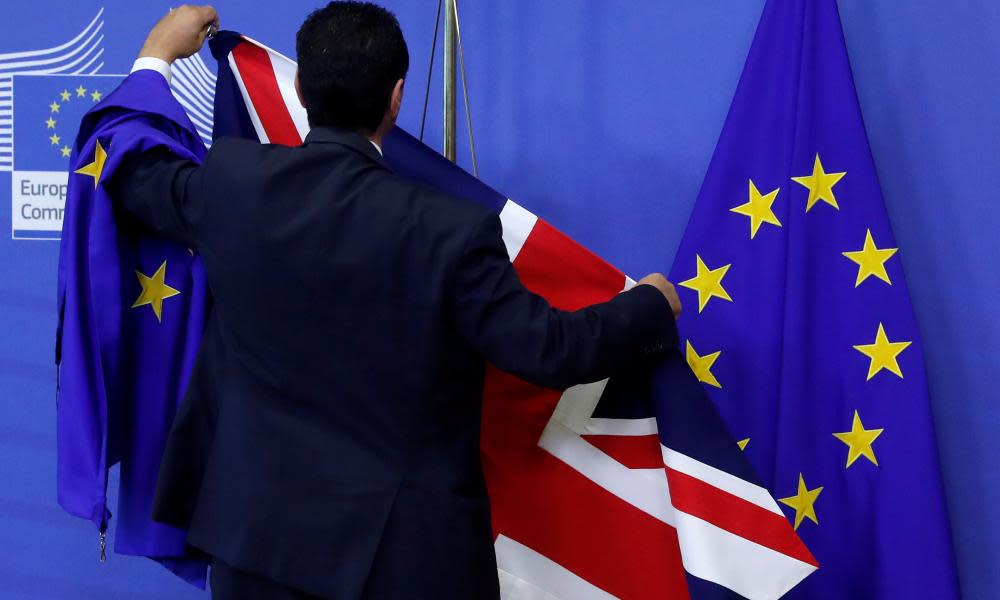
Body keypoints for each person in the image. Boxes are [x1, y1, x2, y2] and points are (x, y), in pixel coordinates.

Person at [115, 3, 682, 599]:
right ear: (397, 96)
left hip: (258, 550)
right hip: (406, 566)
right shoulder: (452, 232)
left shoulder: (231, 183)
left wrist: (157, 55)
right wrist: (647, 305)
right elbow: (549, 351)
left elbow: (133, 174)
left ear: (303, 88)